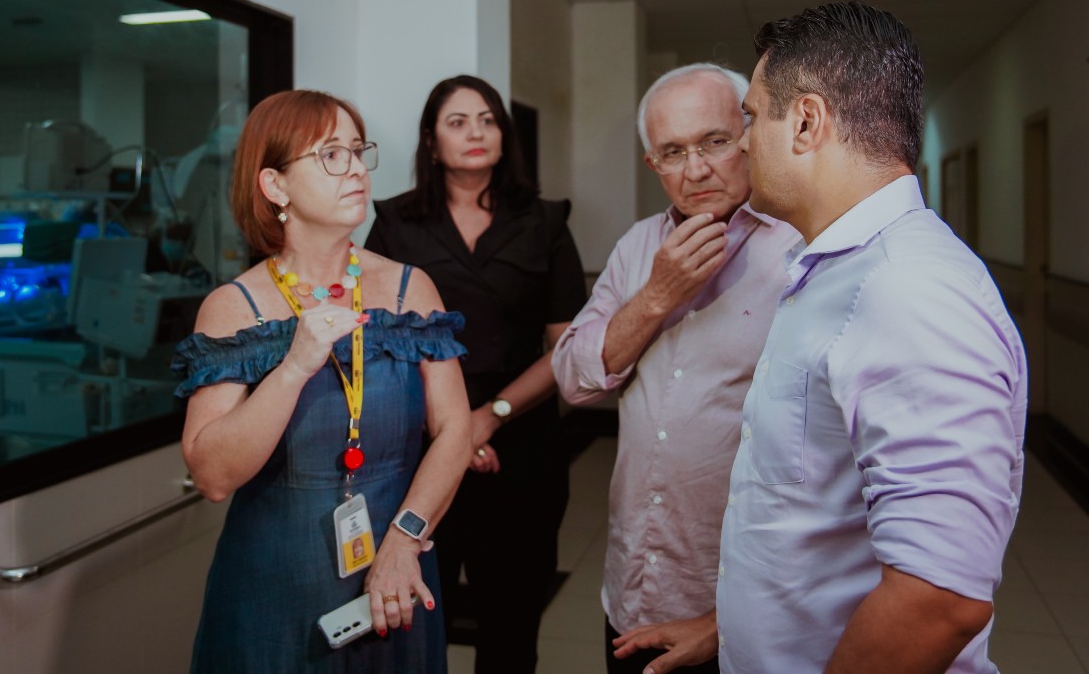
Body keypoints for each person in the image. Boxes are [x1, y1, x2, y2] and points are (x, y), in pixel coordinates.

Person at [718, 1, 1027, 673]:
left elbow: (939, 597)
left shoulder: (906, 287)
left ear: (806, 122)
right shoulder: (834, 271)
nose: (741, 144)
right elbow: (816, 519)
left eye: (752, 116)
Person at [172, 89, 475, 673]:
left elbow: (455, 429)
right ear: (275, 185)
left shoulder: (409, 290)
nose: (357, 169)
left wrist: (406, 539)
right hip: (273, 589)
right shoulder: (234, 308)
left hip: (396, 573)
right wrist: (293, 367)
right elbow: (212, 476)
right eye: (332, 155)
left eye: (359, 151)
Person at [551, 63, 800, 674]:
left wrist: (728, 619)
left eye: (714, 141)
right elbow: (573, 378)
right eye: (672, 152)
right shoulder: (638, 246)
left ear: (750, 135)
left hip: (747, 603)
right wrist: (656, 296)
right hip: (636, 584)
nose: (695, 170)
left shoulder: (802, 248)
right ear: (652, 164)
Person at [366, 75, 587, 674]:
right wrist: (450, 430)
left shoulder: (545, 222)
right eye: (458, 121)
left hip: (520, 442)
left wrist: (489, 417)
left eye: (488, 120)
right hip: (418, 445)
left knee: (511, 625)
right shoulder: (395, 223)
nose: (476, 132)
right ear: (431, 142)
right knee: (411, 621)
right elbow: (375, 341)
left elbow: (565, 347)